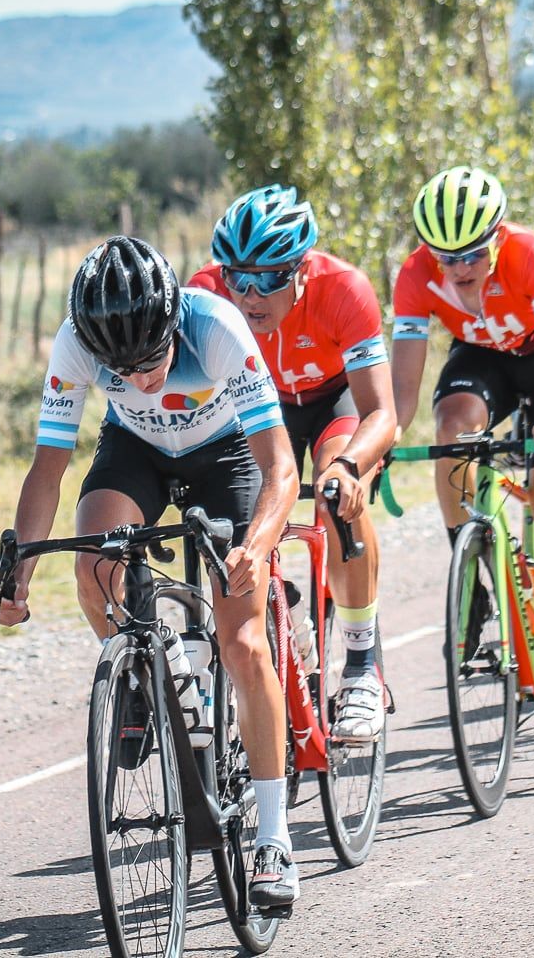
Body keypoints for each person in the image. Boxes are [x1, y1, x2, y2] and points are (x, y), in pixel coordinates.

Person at [0, 235, 303, 908]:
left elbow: (281, 468)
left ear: (171, 323)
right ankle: (141, 670)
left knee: (242, 642)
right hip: (137, 449)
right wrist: (19, 573)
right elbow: (49, 469)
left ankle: (273, 840)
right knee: (96, 564)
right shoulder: (76, 342)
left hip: (227, 456)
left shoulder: (214, 325)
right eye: (119, 370)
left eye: (152, 359)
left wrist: (258, 546)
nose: (141, 379)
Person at [390, 165, 534, 725]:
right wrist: (380, 443)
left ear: (497, 235)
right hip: (484, 357)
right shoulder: (416, 276)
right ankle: (473, 586)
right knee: (450, 433)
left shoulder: (530, 253)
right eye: (448, 258)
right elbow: (401, 391)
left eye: (473, 253)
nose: (462, 269)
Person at [188, 184, 396, 741]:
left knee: (334, 500)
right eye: (238, 278)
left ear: (302, 268)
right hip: (258, 407)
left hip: (333, 401)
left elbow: (382, 412)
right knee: (242, 513)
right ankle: (291, 615)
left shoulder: (344, 289)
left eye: (269, 279)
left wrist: (351, 467)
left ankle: (361, 665)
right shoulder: (205, 294)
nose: (250, 295)